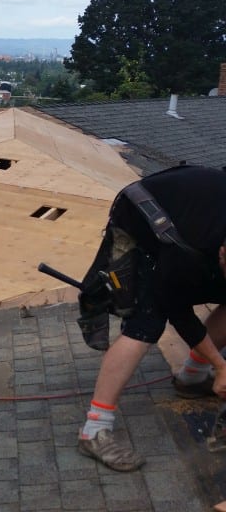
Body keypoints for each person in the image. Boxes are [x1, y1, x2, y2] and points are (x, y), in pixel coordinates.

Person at [75, 165, 226, 472]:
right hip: (143, 216)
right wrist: (221, 364)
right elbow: (177, 308)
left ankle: (191, 378)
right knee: (147, 322)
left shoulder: (213, 235)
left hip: (189, 209)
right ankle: (94, 430)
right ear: (222, 252)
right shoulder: (188, 246)